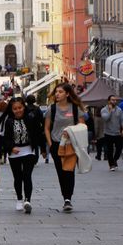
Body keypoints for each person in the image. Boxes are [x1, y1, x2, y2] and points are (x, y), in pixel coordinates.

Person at [44, 82, 86, 212]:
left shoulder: (75, 109)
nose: (57, 94)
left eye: (60, 92)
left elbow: (82, 126)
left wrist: (71, 131)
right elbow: (46, 128)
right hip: (57, 144)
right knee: (61, 172)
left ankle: (68, 199)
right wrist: (50, 144)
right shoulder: (52, 109)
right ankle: (65, 196)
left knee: (69, 171)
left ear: (67, 94)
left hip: (71, 144)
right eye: (56, 92)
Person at [0, 97, 44, 214]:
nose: (18, 110)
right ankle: (19, 198)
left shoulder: (30, 119)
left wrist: (43, 149)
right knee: (18, 177)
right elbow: (5, 138)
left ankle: (27, 200)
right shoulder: (8, 121)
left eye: (20, 108)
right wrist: (11, 147)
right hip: (14, 153)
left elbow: (38, 133)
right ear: (11, 110)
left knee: (27, 175)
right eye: (15, 109)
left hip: (28, 151)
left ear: (24, 107)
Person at [100, 94, 123, 171]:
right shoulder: (104, 110)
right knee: (109, 150)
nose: (114, 101)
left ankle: (115, 160)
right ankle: (111, 165)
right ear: (109, 101)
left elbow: (122, 119)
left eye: (115, 100)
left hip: (117, 133)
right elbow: (105, 118)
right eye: (112, 100)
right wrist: (110, 111)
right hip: (108, 133)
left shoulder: (119, 110)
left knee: (119, 148)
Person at [24, 94, 48, 163]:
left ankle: (28, 157)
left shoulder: (24, 109)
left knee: (28, 144)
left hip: (27, 129)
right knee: (36, 145)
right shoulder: (37, 109)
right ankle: (36, 159)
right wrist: (42, 128)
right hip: (36, 129)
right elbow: (42, 119)